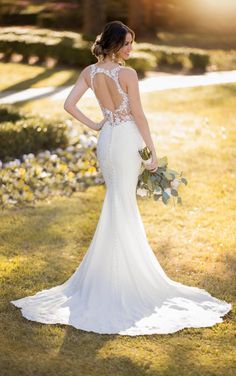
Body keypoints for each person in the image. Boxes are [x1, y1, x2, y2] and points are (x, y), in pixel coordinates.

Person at [11, 21, 231, 336]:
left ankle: (109, 274)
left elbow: (68, 104)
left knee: (118, 202)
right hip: (127, 140)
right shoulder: (127, 74)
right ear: (114, 44)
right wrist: (153, 152)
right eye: (126, 44)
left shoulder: (89, 72)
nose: (130, 49)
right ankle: (124, 279)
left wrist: (96, 124)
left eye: (131, 43)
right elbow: (139, 115)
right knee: (122, 203)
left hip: (108, 141)